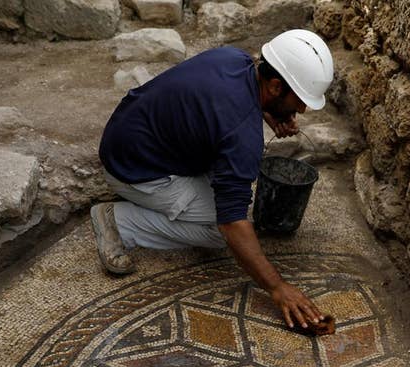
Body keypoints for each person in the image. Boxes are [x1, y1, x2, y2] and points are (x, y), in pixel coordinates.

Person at [93, 29, 334, 329]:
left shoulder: (233, 58)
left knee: (231, 193)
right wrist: (278, 288)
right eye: (299, 99)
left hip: (124, 134)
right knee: (223, 232)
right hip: (132, 170)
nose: (302, 109)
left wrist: (266, 112)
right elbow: (231, 222)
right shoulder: (242, 137)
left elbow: (221, 106)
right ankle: (120, 221)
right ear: (274, 86)